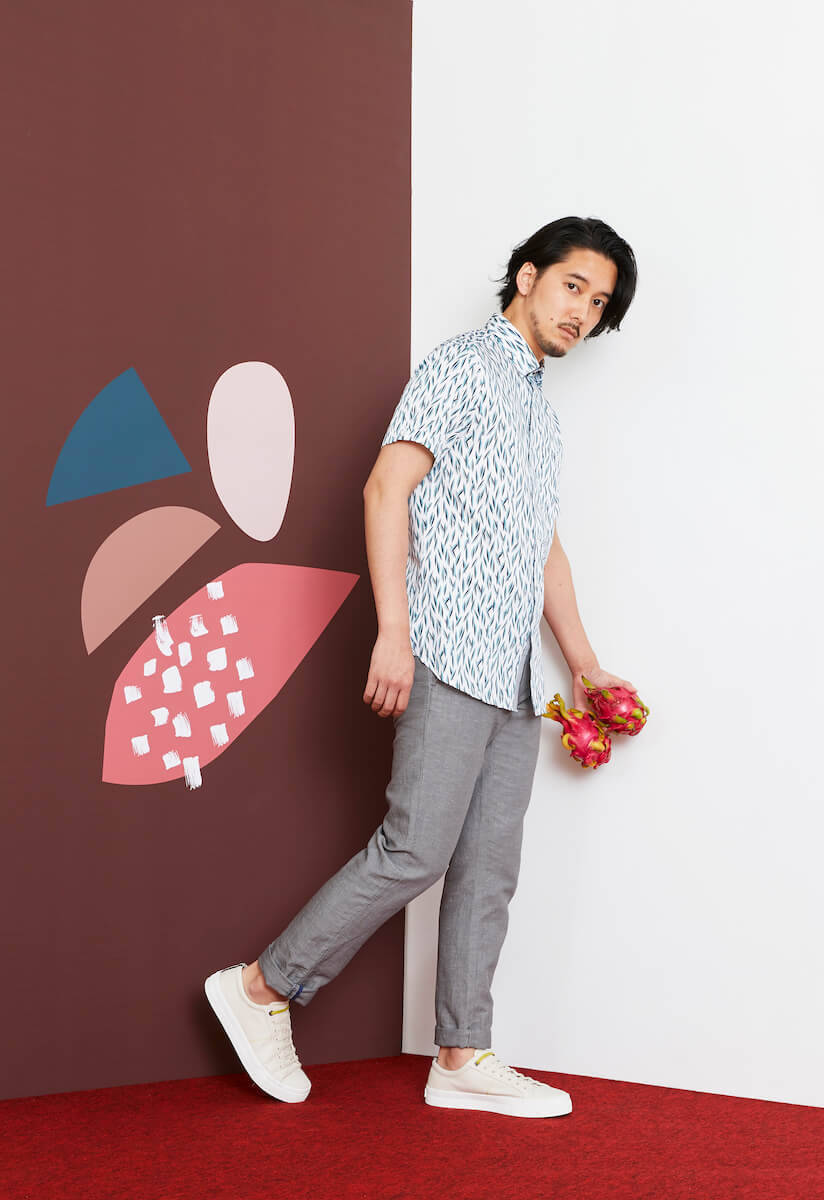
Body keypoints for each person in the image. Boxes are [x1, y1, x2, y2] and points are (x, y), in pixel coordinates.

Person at [204, 216, 638, 1118]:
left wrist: (585, 665)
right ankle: (261, 987)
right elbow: (385, 487)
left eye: (599, 304)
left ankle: (462, 1054)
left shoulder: (539, 412)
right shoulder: (461, 366)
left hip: (515, 673)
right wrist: (393, 632)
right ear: (528, 276)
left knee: (488, 870)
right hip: (446, 648)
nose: (582, 312)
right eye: (573, 287)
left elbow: (542, 548)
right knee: (414, 852)